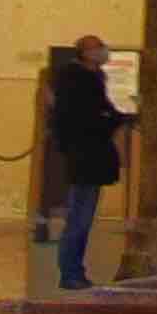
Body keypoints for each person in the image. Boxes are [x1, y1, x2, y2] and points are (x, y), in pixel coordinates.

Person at [36, 32, 131, 292]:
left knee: (83, 216)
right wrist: (113, 119)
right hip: (84, 156)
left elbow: (103, 111)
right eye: (97, 47)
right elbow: (89, 117)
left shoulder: (92, 78)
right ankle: (70, 272)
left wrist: (115, 116)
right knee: (79, 216)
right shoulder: (76, 81)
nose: (103, 50)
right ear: (86, 53)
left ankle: (75, 270)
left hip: (91, 156)